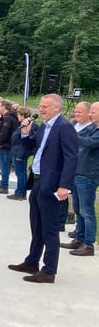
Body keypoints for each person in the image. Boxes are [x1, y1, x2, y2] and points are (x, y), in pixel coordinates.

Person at [8, 94, 78, 283]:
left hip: (52, 185)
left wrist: (64, 185)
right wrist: (25, 132)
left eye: (45, 106)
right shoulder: (45, 126)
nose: (41, 109)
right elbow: (32, 147)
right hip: (38, 181)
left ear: (57, 108)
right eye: (40, 105)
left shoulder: (64, 127)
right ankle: (32, 262)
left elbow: (71, 158)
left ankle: (49, 270)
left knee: (49, 229)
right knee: (36, 226)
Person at [59, 101, 99, 256]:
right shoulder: (88, 127)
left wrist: (72, 135)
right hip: (77, 172)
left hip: (88, 174)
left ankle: (89, 244)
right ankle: (79, 238)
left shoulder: (95, 130)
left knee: (86, 211)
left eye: (94, 112)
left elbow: (89, 143)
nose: (92, 114)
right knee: (77, 208)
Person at [7, 107, 38, 201]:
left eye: (19, 115)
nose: (17, 116)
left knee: (21, 173)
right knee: (20, 173)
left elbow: (27, 141)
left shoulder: (30, 125)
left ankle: (20, 192)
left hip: (20, 152)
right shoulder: (23, 124)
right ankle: (20, 191)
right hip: (17, 150)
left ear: (23, 115)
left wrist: (21, 153)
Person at [0, 100, 19, 194]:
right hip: (10, 145)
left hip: (5, 145)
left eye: (0, 106)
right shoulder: (13, 117)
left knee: (4, 166)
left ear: (4, 107)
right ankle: (3, 184)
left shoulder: (7, 118)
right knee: (5, 166)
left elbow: (4, 132)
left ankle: (4, 186)